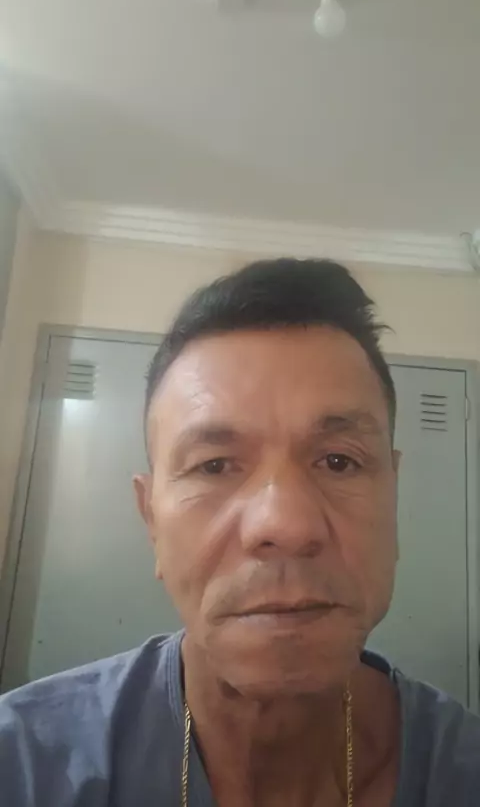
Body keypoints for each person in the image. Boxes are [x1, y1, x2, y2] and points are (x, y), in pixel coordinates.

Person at [0, 258, 479, 807]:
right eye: (214, 465)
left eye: (339, 461)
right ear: (151, 519)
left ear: (393, 495)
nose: (286, 525)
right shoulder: (22, 763)